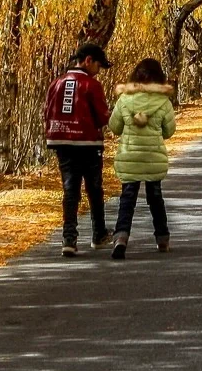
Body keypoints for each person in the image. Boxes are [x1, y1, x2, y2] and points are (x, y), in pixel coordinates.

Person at [44, 43, 112, 257]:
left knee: (70, 190)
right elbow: (102, 117)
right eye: (98, 66)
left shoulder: (56, 83)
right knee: (94, 188)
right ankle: (99, 234)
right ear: (88, 60)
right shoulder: (91, 85)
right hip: (88, 143)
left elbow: (47, 111)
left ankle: (69, 239)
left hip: (62, 142)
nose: (98, 71)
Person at [108, 58, 176, 259]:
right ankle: (162, 239)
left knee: (127, 199)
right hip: (153, 156)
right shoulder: (163, 102)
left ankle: (121, 238)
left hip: (129, 155)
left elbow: (114, 127)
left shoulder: (124, 100)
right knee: (155, 198)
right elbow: (169, 131)